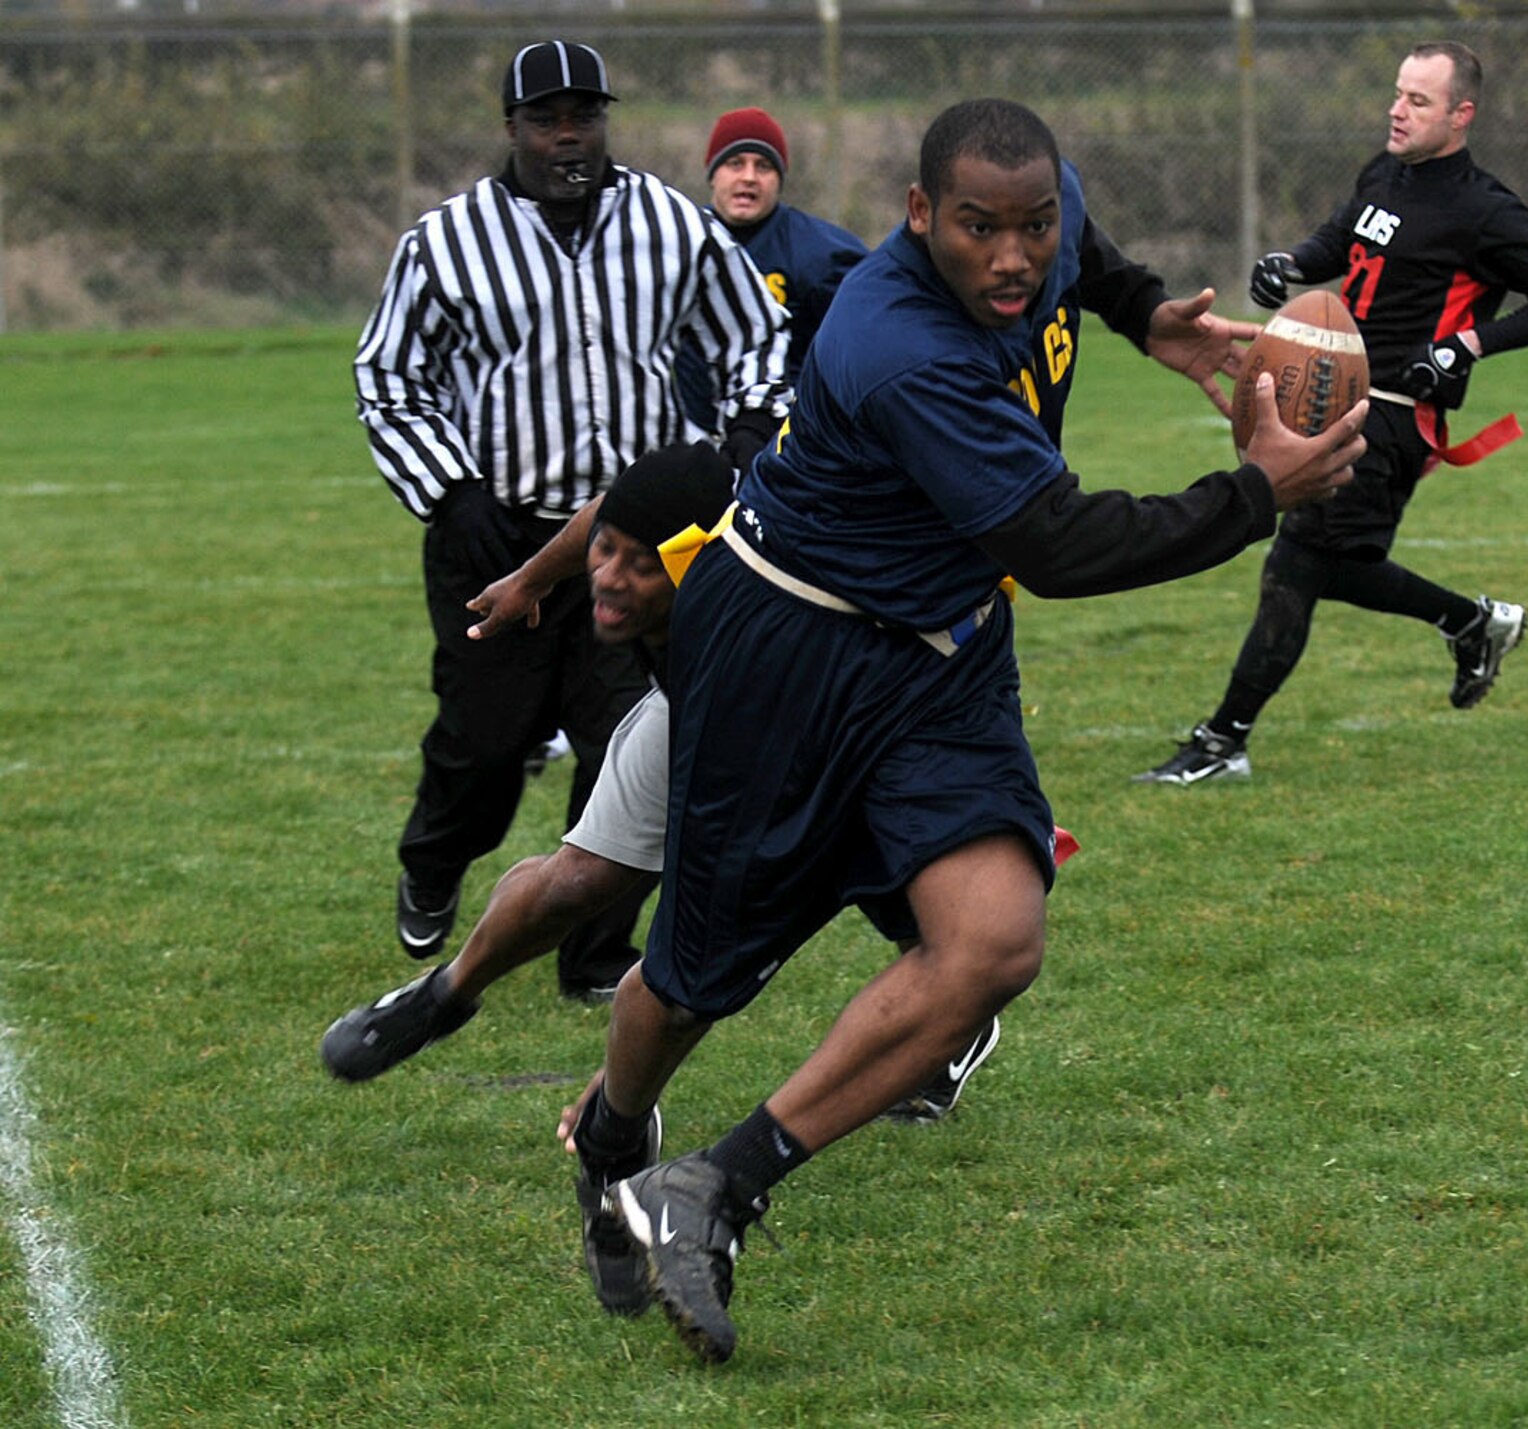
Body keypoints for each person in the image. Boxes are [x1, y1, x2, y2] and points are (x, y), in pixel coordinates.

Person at [564, 97, 1369, 1364]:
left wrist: (1138, 311)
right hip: (788, 646)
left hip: (938, 650)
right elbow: (1058, 545)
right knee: (691, 982)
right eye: (978, 230)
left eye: (1031, 226)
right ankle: (615, 1133)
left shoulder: (1046, 219)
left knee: (993, 941)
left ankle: (712, 1190)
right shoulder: (897, 346)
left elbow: (1082, 249)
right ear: (918, 216)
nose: (1012, 257)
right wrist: (1255, 491)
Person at [320, 441, 1037, 1130]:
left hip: (819, 723)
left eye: (640, 565)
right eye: (607, 553)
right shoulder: (715, 514)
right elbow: (616, 516)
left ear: (700, 563)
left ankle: (948, 1017)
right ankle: (445, 993)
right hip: (704, 702)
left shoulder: (753, 587)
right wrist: (533, 578)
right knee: (580, 876)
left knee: (879, 911)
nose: (609, 578)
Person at [353, 40, 789, 998]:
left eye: (584, 116)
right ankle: (436, 857)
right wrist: (450, 490)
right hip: (499, 533)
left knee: (628, 745)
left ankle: (594, 952)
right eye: (546, 119)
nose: (568, 136)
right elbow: (387, 376)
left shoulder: (674, 226)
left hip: (639, 545)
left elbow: (756, 336)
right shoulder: (445, 241)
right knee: (484, 743)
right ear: (511, 128)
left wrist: (750, 430)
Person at [1136, 40, 1528, 786]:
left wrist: (1465, 345)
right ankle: (1471, 622)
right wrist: (1291, 264)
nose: (1397, 110)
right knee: (1327, 564)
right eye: (1398, 93)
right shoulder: (1385, 172)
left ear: (1461, 115)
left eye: (1418, 100)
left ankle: (1222, 742)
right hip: (1341, 395)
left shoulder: (1487, 211)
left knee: (1297, 560)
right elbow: (1340, 241)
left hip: (1397, 413)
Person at [676, 107, 871, 440]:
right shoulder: (678, 241)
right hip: (690, 430)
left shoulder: (819, 254)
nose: (749, 177)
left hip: (785, 432)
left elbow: (862, 343)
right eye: (735, 163)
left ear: (780, 179)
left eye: (763, 166)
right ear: (713, 174)